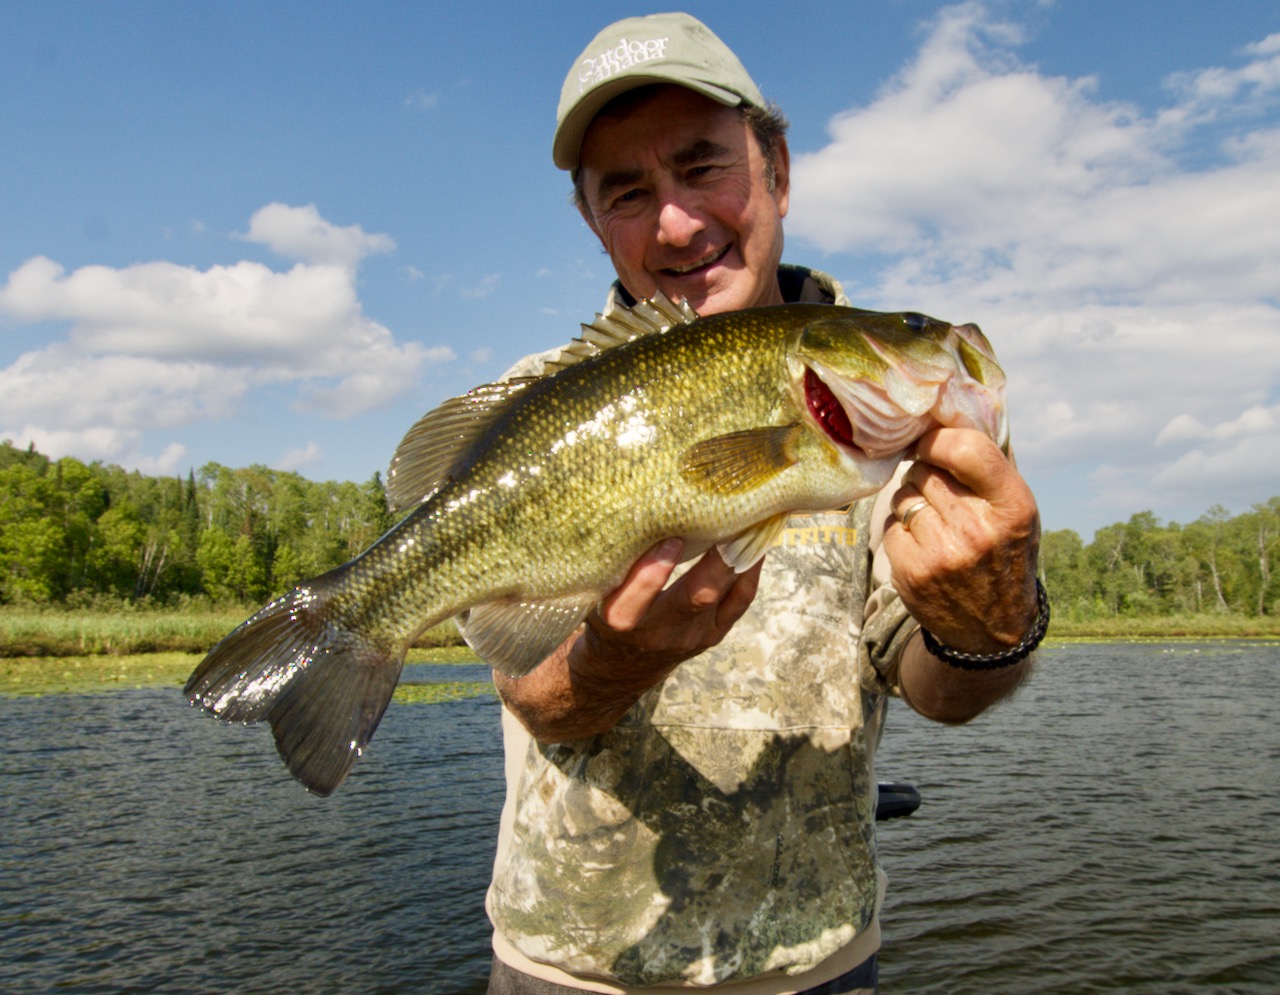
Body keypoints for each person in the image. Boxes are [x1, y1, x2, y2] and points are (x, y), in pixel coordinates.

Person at [484, 13, 1044, 995]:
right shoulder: (536, 408)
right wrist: (614, 662)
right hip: (572, 970)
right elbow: (535, 695)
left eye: (702, 167)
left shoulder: (887, 419)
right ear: (591, 220)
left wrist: (987, 626)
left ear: (776, 167)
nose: (675, 222)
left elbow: (941, 688)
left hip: (819, 962)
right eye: (627, 191)